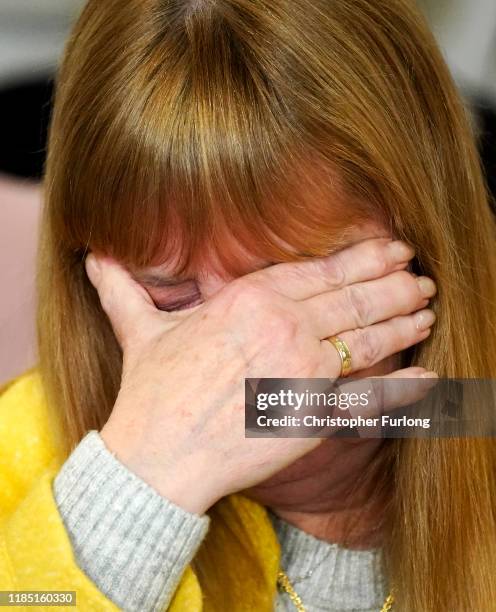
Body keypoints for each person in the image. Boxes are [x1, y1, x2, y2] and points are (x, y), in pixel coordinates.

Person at [1, 1, 496, 611]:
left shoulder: (469, 409)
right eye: (175, 293)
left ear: (424, 234)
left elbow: (464, 407)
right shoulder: (18, 448)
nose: (242, 349)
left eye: (294, 283)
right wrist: (140, 481)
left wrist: (447, 416)